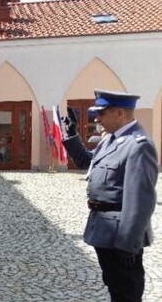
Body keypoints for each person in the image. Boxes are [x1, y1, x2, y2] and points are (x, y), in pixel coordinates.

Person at [61, 89, 158, 302]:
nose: (97, 118)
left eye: (102, 113)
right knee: (116, 288)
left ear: (120, 113)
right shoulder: (110, 140)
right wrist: (71, 136)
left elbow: (140, 202)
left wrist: (128, 244)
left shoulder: (138, 145)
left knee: (127, 293)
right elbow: (87, 162)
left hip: (120, 237)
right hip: (103, 230)